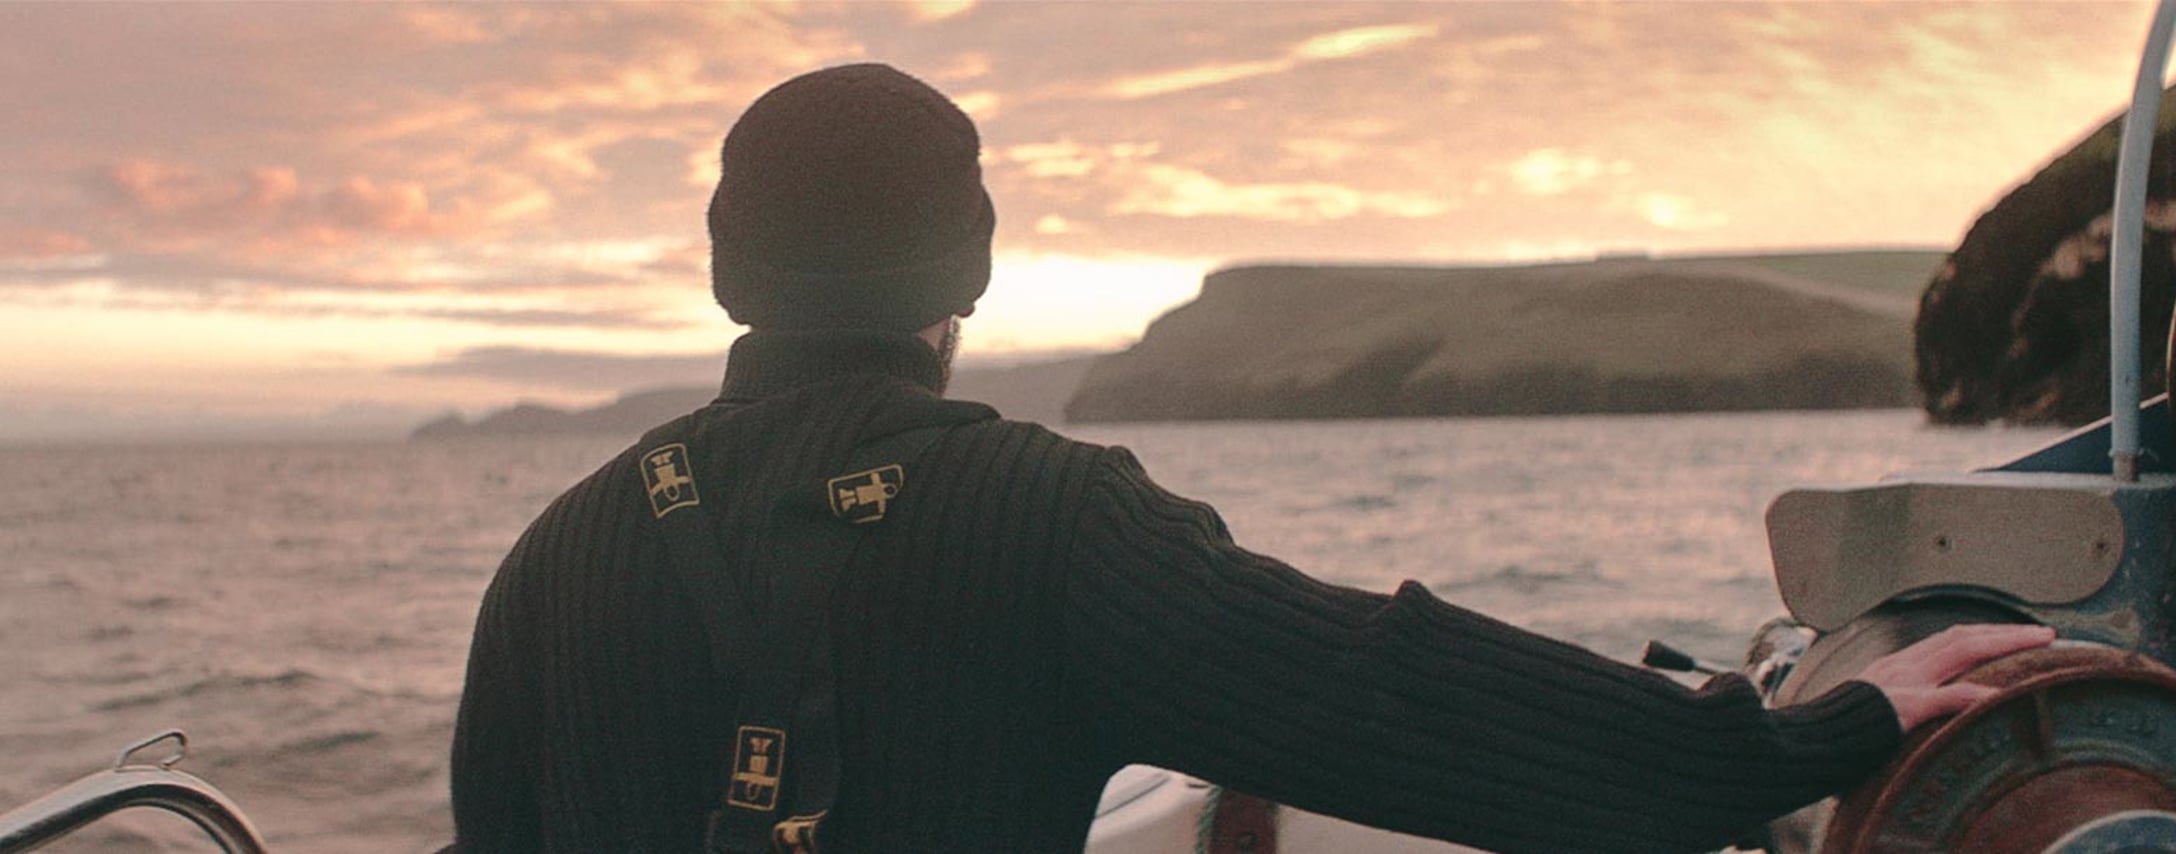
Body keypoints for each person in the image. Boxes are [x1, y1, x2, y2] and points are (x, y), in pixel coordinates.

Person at [448, 63, 2054, 853]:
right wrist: (1801, 736)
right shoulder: (1047, 522)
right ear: (968, 279)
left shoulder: (554, 558)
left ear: (728, 273)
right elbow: (1395, 694)